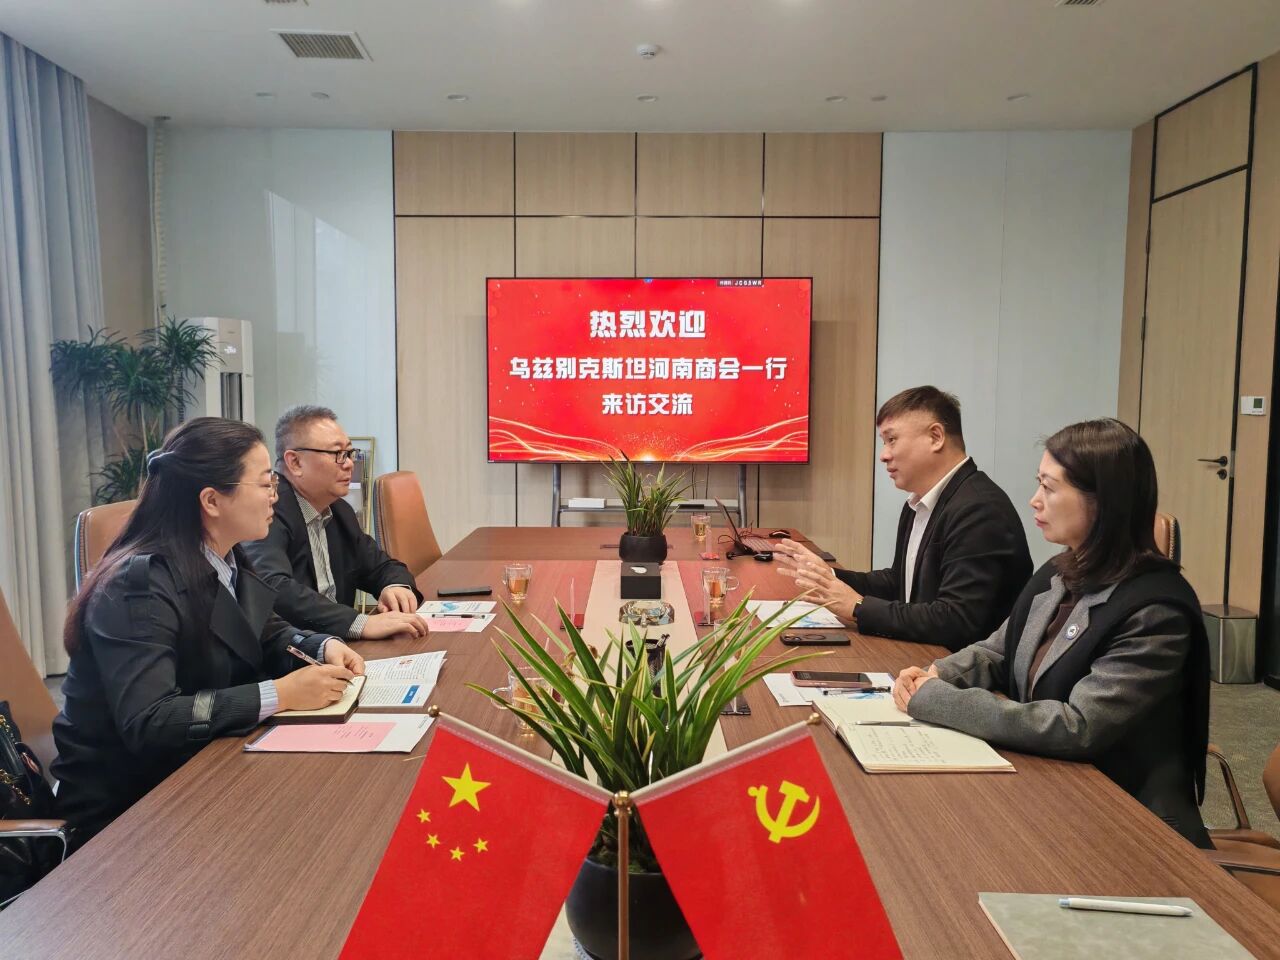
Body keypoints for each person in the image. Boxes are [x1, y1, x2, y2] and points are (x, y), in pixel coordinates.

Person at [892, 419, 1211, 848]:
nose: (1035, 500)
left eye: (1050, 487)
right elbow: (999, 650)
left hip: (1129, 822)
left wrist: (940, 700)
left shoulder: (1155, 611)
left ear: (1104, 501)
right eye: (1038, 483)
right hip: (1052, 789)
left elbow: (1078, 727)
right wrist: (937, 673)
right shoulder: (1063, 571)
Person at [52, 417, 366, 849]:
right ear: (213, 500)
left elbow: (265, 630)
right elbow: (151, 719)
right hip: (130, 810)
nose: (275, 497)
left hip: (204, 768)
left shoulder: (225, 556)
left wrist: (321, 645)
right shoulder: (137, 585)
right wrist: (280, 694)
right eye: (265, 484)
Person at [774, 386, 1031, 651]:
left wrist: (858, 608)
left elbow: (957, 620)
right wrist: (827, 576)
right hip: (922, 656)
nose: (884, 455)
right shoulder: (919, 501)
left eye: (892, 439)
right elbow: (899, 583)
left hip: (959, 670)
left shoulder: (979, 509)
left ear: (936, 437)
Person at [242, 405, 427, 642]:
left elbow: (381, 566)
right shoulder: (268, 513)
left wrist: (395, 587)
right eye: (337, 453)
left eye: (349, 453)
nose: (349, 464)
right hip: (297, 653)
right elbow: (273, 587)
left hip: (340, 649)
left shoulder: (339, 510)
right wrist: (359, 623)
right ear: (295, 462)